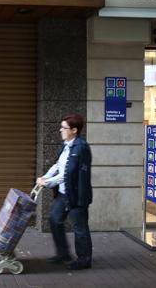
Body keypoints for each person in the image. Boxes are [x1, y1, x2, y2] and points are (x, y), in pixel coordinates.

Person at [36, 113, 93, 270]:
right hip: (63, 193)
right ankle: (63, 254)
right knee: (54, 219)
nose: (60, 130)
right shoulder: (67, 145)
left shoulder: (80, 148)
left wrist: (47, 183)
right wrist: (45, 176)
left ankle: (84, 260)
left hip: (77, 195)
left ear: (74, 130)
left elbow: (68, 173)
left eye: (64, 128)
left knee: (79, 227)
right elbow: (58, 165)